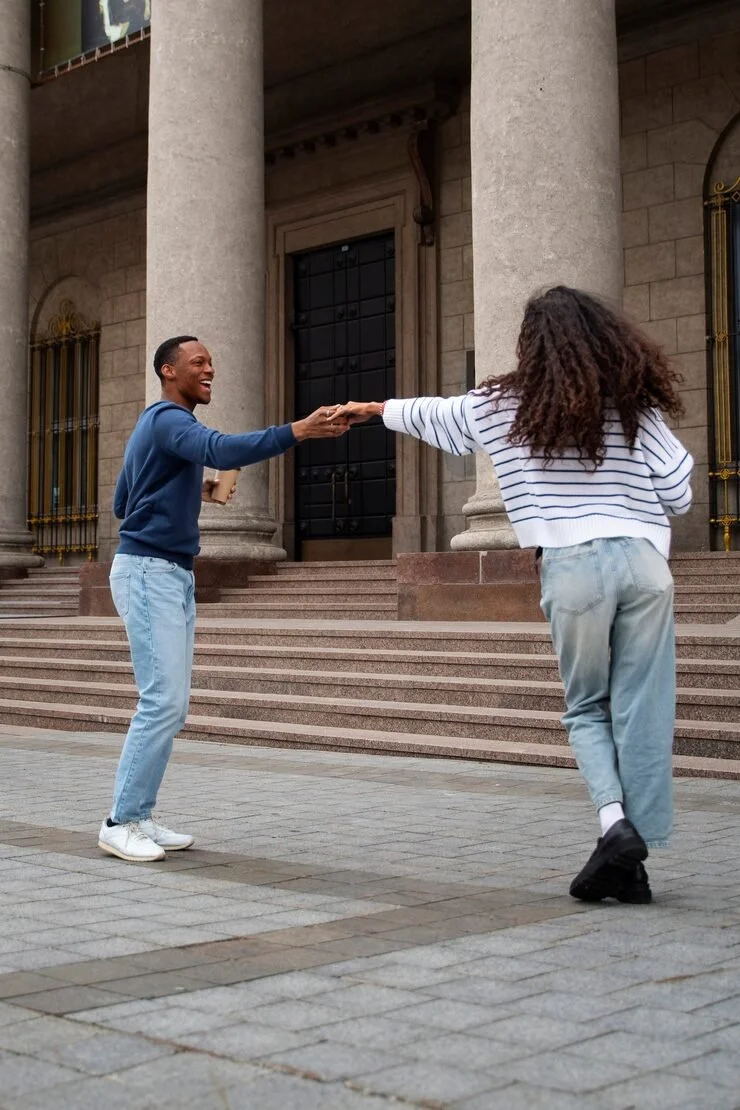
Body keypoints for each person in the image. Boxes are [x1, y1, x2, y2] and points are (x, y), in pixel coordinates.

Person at [336, 285, 693, 904]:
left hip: (571, 566)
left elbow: (435, 414)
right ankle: (634, 863)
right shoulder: (632, 402)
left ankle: (615, 827)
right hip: (643, 564)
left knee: (586, 707)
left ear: (532, 344)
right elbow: (681, 488)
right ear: (607, 337)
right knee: (643, 709)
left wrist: (377, 409)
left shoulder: (501, 405)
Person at [100, 336, 347, 862]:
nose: (210, 368)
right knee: (161, 701)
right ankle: (119, 821)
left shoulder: (155, 428)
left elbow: (124, 500)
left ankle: (139, 814)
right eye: (198, 363)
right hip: (149, 572)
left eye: (211, 361)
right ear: (169, 371)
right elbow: (222, 449)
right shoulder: (171, 421)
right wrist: (298, 430)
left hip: (167, 572)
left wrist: (199, 492)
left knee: (171, 704)